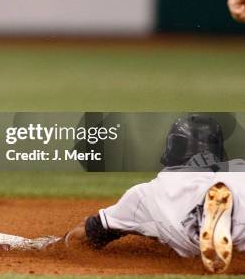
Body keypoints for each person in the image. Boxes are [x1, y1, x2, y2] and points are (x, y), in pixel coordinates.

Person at [64, 115, 245, 273]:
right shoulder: (237, 166)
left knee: (180, 221)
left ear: (170, 151)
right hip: (234, 186)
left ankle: (204, 218)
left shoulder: (145, 194)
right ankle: (221, 217)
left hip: (195, 220)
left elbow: (83, 237)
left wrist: (58, 244)